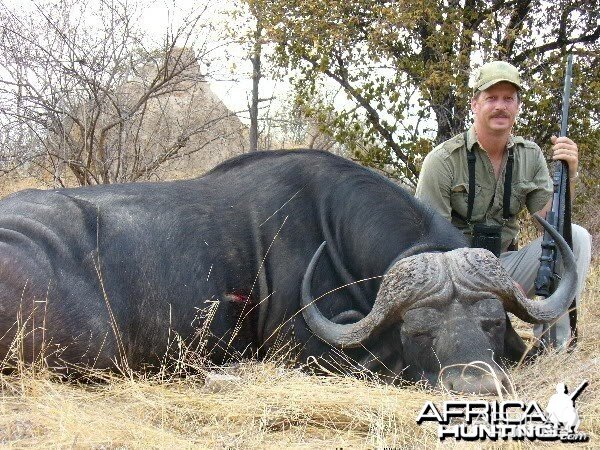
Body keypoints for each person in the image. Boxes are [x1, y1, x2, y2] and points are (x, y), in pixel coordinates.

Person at [415, 60, 592, 349]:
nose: (501, 106)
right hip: (454, 278)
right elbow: (430, 247)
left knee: (577, 237)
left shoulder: (530, 155)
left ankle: (556, 345)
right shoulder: (442, 160)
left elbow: (551, 222)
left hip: (504, 265)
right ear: (474, 104)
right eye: (491, 98)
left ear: (517, 106)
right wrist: (491, 284)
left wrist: (569, 174)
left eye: (508, 99)